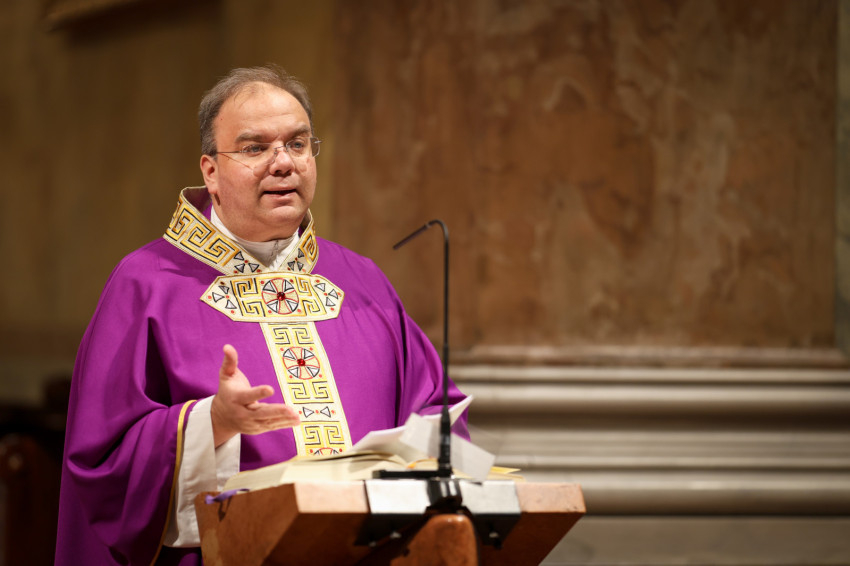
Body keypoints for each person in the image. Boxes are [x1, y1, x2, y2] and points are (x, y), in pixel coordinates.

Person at [55, 65, 468, 566]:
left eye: (298, 144)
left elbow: (436, 415)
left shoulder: (362, 281)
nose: (283, 163)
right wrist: (211, 424)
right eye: (255, 148)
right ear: (210, 171)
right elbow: (103, 462)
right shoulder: (146, 284)